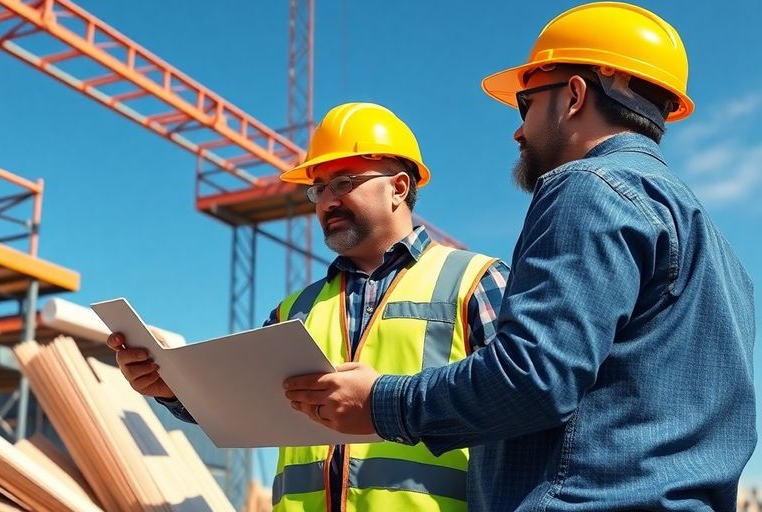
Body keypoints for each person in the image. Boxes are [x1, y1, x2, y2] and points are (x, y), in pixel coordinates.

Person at [282, 3, 756, 510]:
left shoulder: (586, 188)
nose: (518, 129)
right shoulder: (718, 249)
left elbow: (534, 376)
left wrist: (382, 403)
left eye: (525, 103)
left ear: (573, 96)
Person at [108, 102, 510, 511]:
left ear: (399, 187)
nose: (326, 202)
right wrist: (175, 385)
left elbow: (520, 401)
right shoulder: (293, 310)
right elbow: (243, 407)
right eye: (318, 189)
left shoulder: (475, 282)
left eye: (343, 183)